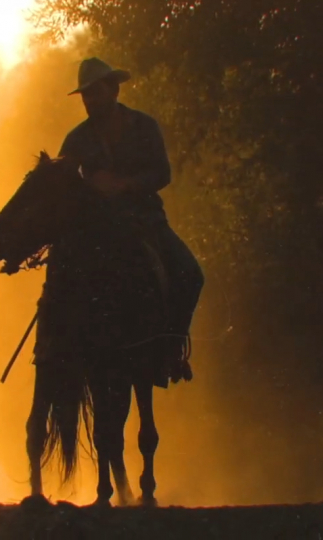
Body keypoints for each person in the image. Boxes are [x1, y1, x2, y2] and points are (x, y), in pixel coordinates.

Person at [57, 57, 204, 383]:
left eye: (95, 93)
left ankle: (171, 350)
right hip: (95, 230)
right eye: (86, 95)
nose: (90, 100)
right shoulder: (76, 139)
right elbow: (61, 186)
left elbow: (162, 173)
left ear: (113, 90)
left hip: (145, 222)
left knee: (191, 274)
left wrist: (124, 185)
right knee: (62, 279)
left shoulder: (144, 127)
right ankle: (57, 354)